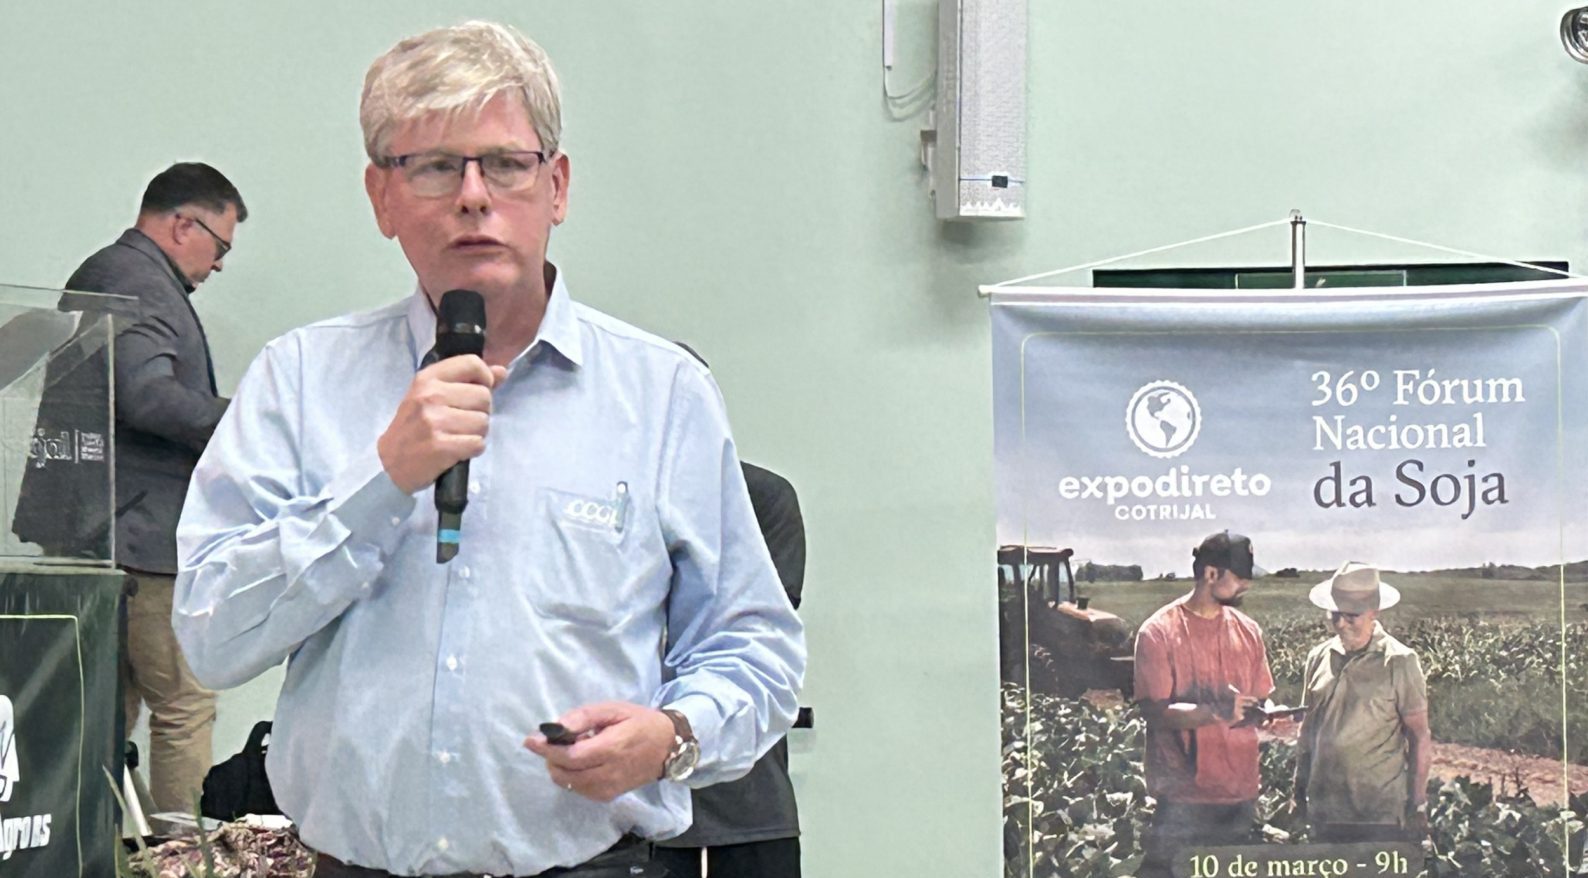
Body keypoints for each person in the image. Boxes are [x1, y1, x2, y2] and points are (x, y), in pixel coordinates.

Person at [172, 20, 804, 878]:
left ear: (557, 186)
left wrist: (672, 735)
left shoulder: (662, 395)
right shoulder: (299, 379)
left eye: (506, 164)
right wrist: (382, 478)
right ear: (382, 197)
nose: (474, 196)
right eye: (434, 166)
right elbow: (212, 636)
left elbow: (755, 646)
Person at [61, 162, 244, 813]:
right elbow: (146, 397)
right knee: (185, 706)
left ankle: (110, 846)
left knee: (108, 711)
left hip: (106, 532)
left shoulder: (115, 273)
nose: (218, 265)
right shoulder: (136, 279)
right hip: (139, 538)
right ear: (183, 224)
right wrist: (249, 419)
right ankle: (184, 854)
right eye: (219, 247)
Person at [655, 459, 807, 878]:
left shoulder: (760, 496)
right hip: (610, 815)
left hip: (742, 808)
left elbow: (753, 638)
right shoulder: (593, 490)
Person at [1133, 531, 1274, 878]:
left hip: (1240, 793)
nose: (1246, 586)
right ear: (1211, 574)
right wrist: (1216, 712)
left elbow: (1259, 698)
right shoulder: (1159, 632)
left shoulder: (1249, 630)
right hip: (1183, 800)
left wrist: (1274, 717)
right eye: (1239, 578)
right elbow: (1155, 712)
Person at [1294, 562, 1431, 843]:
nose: (1340, 624)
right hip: (1325, 810)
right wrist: (1297, 793)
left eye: (1351, 616)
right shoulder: (1318, 657)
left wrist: (1417, 804)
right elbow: (1307, 732)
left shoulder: (1400, 661)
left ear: (1374, 611)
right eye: (1335, 614)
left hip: (1377, 813)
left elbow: (1419, 736)